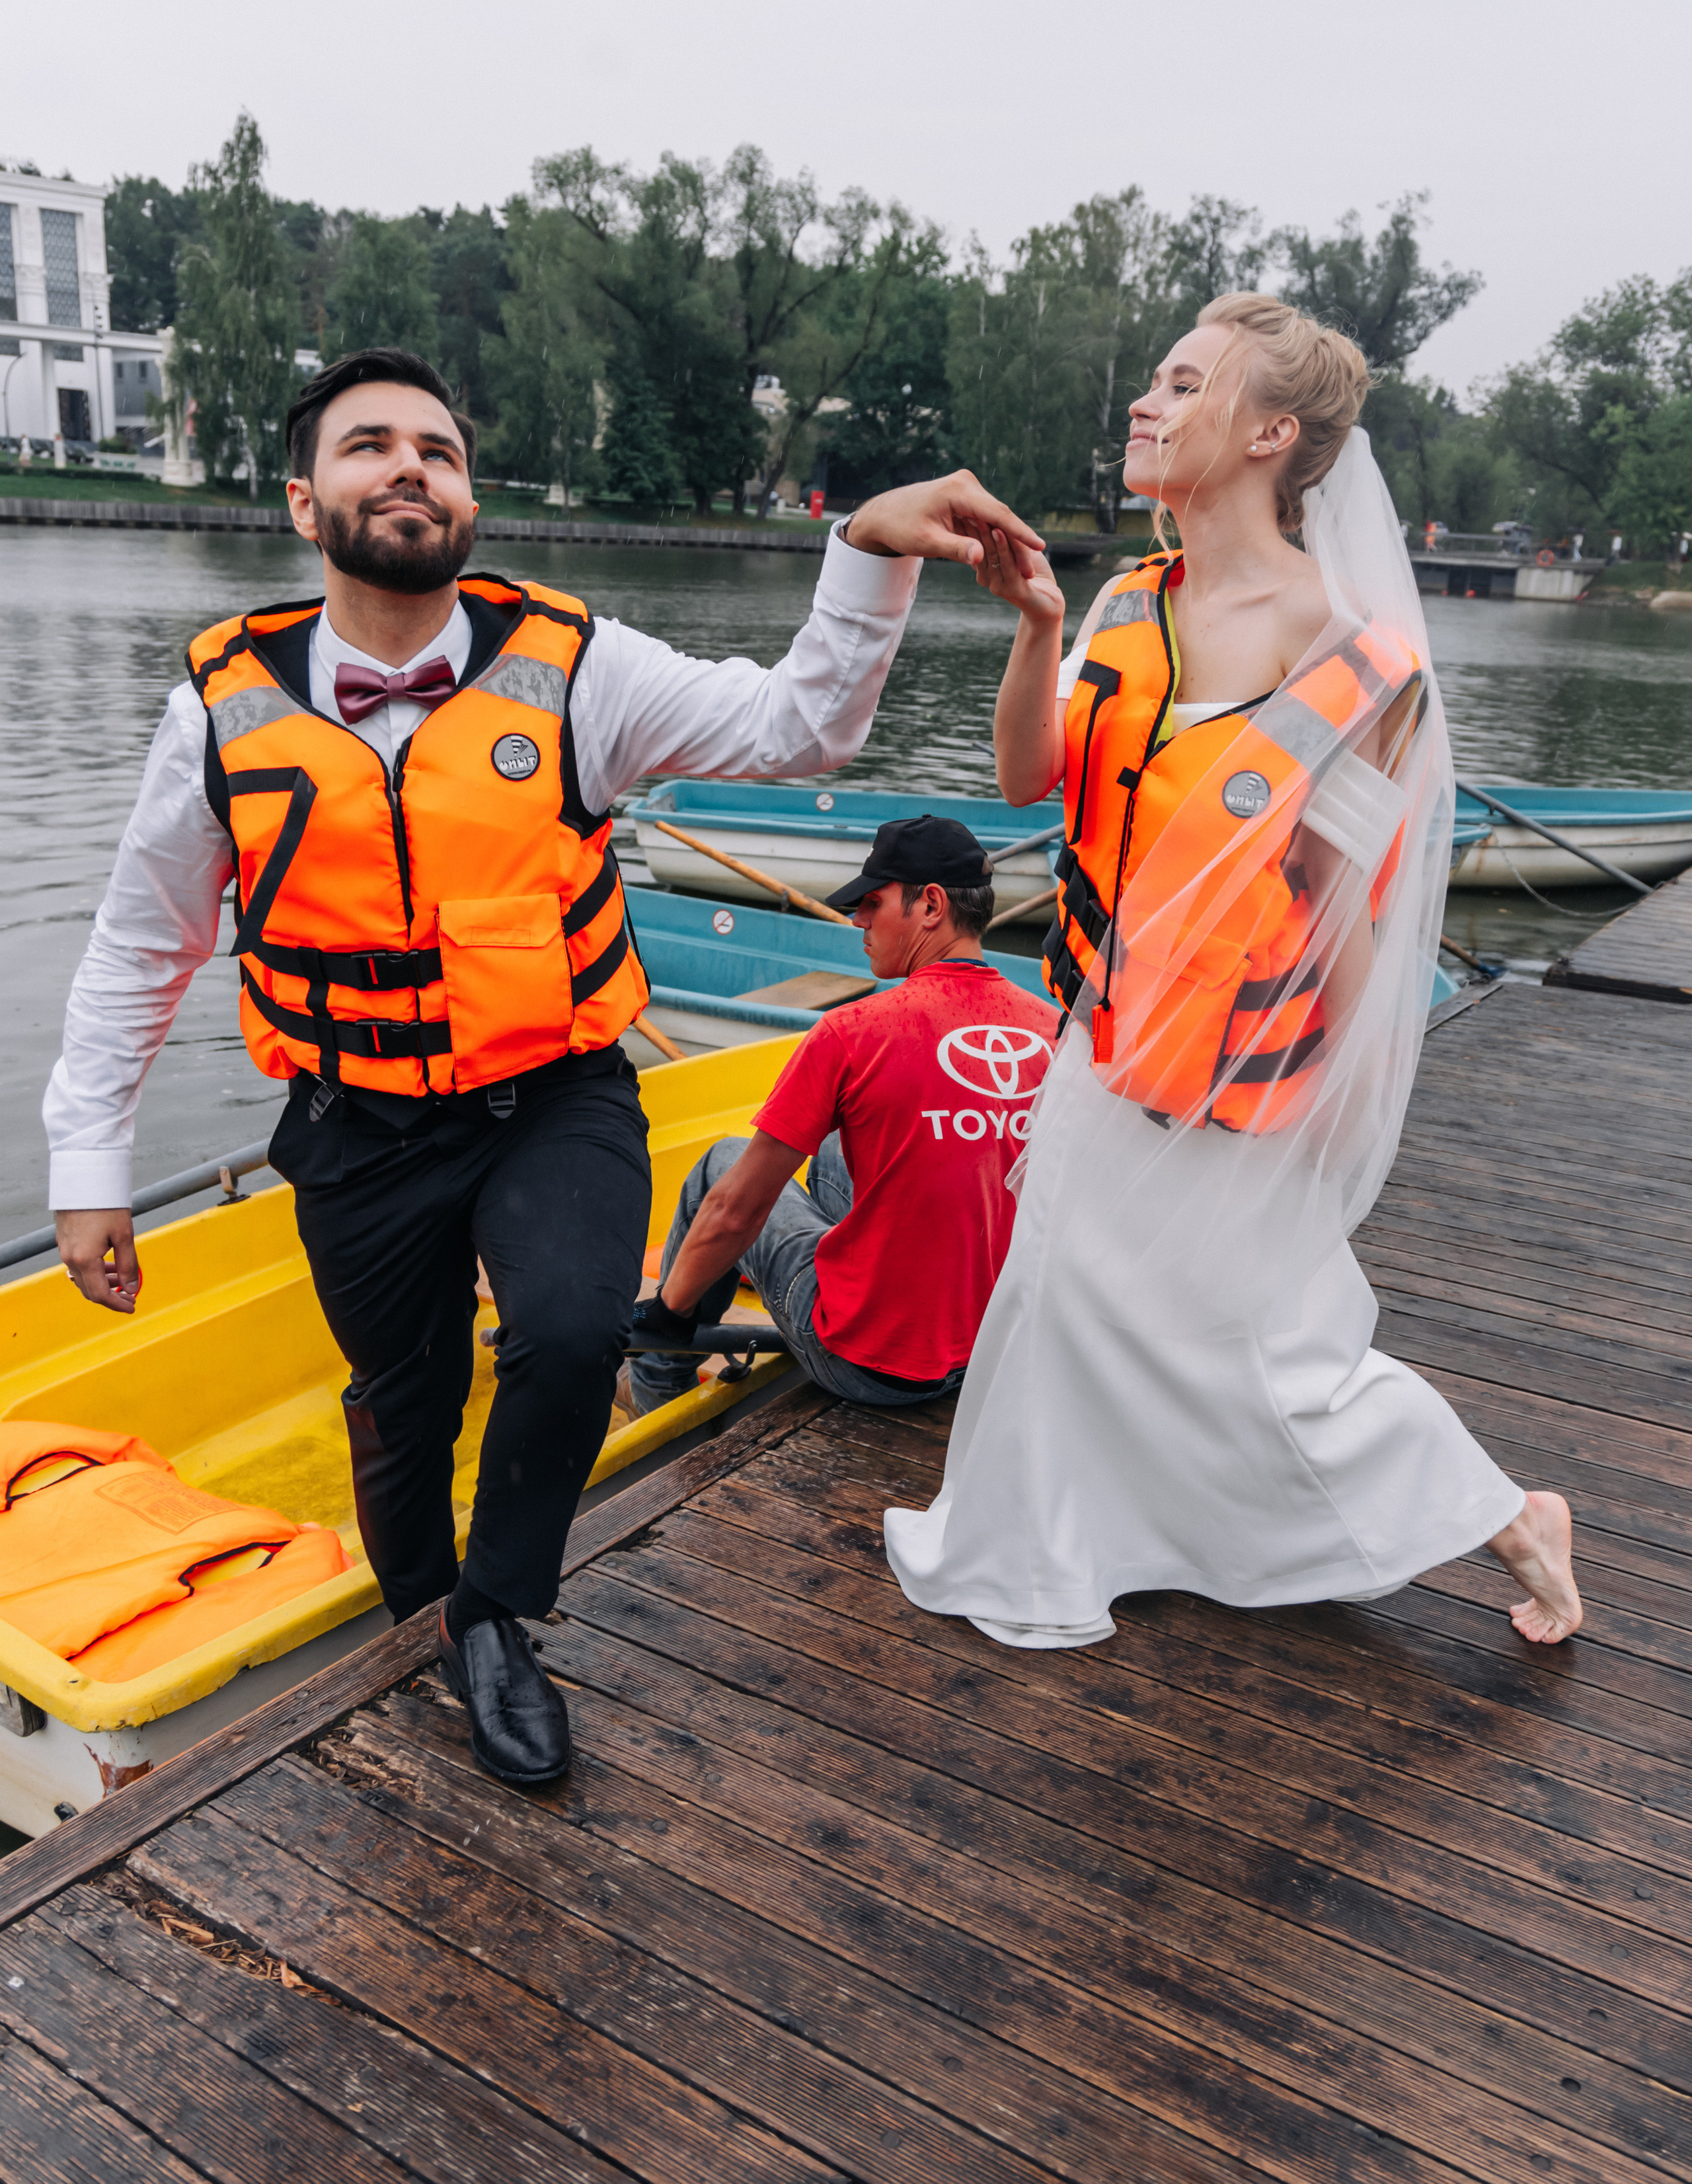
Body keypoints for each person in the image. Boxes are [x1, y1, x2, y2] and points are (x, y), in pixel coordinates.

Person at [45, 346, 1043, 1787]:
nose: (407, 468)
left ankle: (501, 1611)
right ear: (301, 501)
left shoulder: (573, 666)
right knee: (403, 1400)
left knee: (571, 1332)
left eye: (437, 452)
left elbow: (799, 727)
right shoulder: (219, 704)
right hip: (353, 1120)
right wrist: (89, 1169)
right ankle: (424, 1624)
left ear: (469, 498)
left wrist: (864, 549)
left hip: (551, 1095)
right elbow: (143, 945)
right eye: (369, 446)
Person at [884, 295, 1584, 1652]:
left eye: (1181, 382)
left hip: (1246, 1065)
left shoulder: (1354, 660)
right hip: (1098, 1034)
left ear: (1271, 432)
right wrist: (1034, 629)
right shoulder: (1122, 602)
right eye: (1149, 377)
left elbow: (1343, 908)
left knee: (1273, 1356)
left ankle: (1509, 1517)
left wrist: (1353, 1105)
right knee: (1056, 1299)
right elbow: (1025, 780)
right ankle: (1041, 1550)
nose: (1144, 402)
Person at [622, 816, 1058, 1419]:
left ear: (930, 905)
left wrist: (665, 1311)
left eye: (871, 903)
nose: (857, 921)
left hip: (877, 1367)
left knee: (720, 1167)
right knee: (833, 1151)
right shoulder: (1057, 1030)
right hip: (997, 1349)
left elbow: (735, 1211)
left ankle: (658, 1378)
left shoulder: (852, 1032)